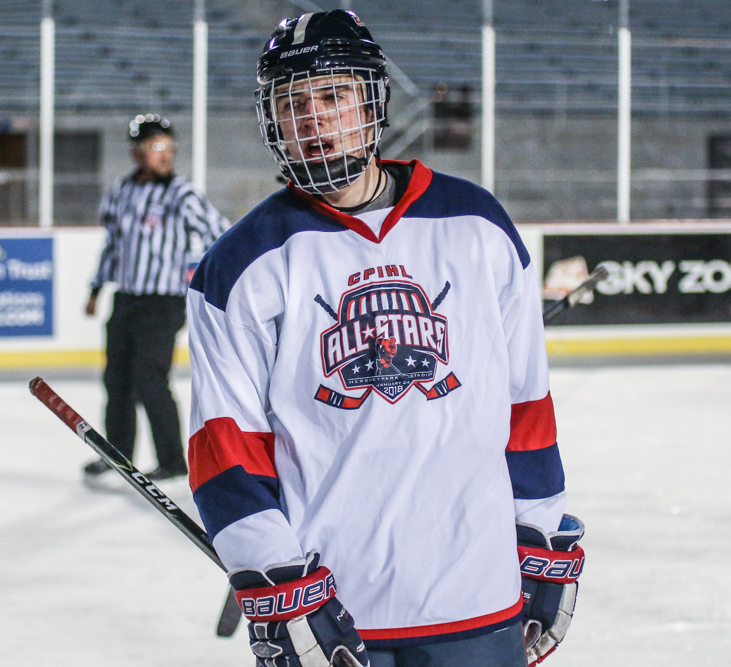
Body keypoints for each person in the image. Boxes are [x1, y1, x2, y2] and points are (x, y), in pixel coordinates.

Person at [186, 11, 584, 667]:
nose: (313, 118)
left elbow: (526, 404)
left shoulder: (477, 223)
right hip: (334, 613)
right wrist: (272, 574)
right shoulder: (240, 265)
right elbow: (225, 449)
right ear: (272, 121)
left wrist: (539, 526)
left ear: (372, 102)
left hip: (478, 597)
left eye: (333, 95)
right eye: (292, 103)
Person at [85, 114, 230, 483]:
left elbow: (220, 234)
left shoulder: (181, 194)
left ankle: (172, 460)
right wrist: (96, 288)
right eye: (156, 147)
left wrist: (217, 279)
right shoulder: (121, 191)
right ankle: (115, 454)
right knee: (116, 379)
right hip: (126, 298)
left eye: (169, 147)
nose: (165, 155)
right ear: (136, 152)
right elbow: (113, 246)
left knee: (151, 378)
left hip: (164, 302)